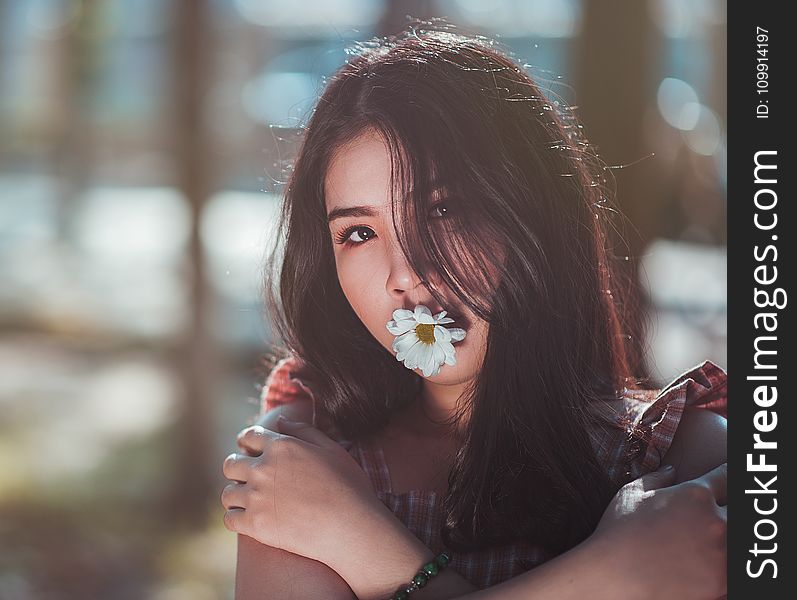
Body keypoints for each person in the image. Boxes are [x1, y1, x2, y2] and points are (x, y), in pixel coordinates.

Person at [221, 20, 727, 600]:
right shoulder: (306, 456)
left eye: (441, 210)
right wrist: (608, 576)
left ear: (532, 212)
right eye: (359, 233)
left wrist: (368, 547)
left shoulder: (684, 459)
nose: (404, 274)